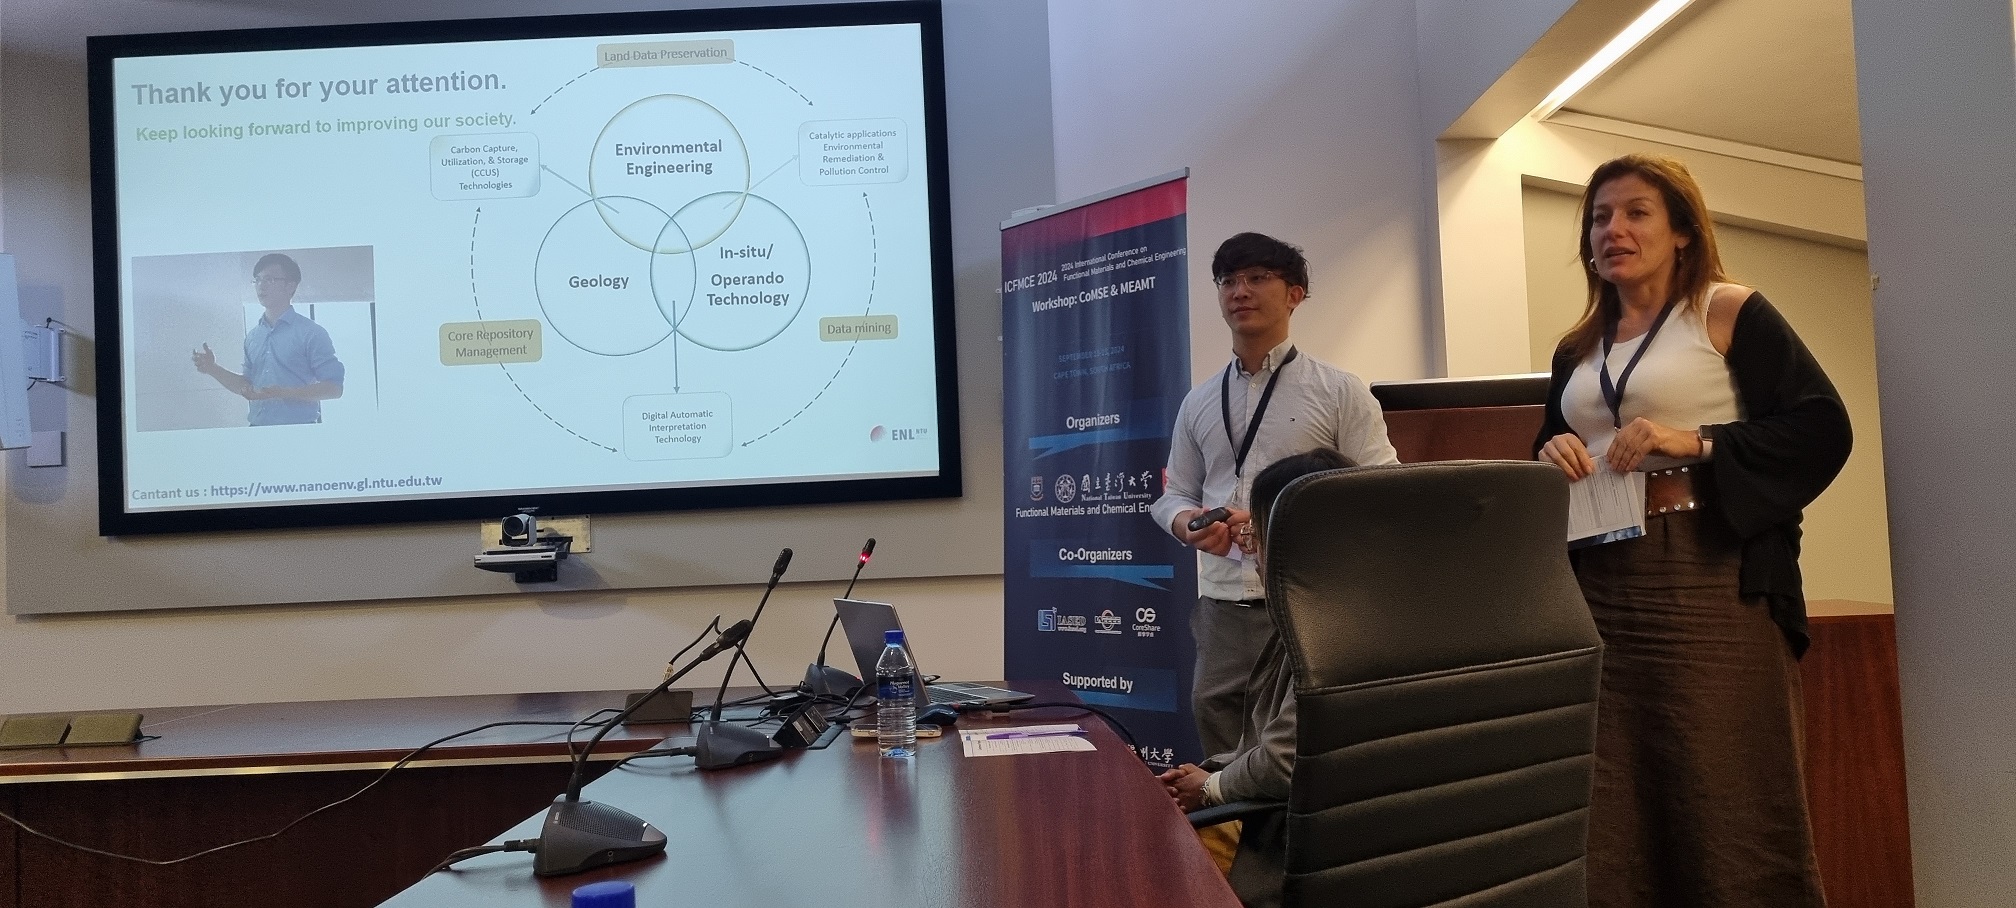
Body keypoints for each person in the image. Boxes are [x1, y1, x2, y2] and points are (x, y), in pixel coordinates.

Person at [1533, 153, 1850, 907]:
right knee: (1614, 793)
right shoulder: (1577, 347)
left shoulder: (1726, 311)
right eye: (1599, 218)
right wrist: (1551, 449)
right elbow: (1551, 440)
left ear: (1682, 230)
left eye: (1635, 212)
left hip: (1707, 572)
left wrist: (1698, 440)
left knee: (1726, 785)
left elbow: (1821, 428)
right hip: (1596, 578)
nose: (1613, 230)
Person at [1148, 232, 1397, 769]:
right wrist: (1189, 522)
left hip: (1305, 599)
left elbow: (1382, 490)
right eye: (1228, 281)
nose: (1240, 291)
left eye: (1258, 278)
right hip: (1221, 604)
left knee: (1296, 750)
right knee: (1217, 730)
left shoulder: (1339, 391)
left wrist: (1274, 520)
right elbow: (1174, 495)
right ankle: (1228, 822)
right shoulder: (1198, 401)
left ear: (1294, 295)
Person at [1158, 446, 1351, 908]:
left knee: (1155, 857)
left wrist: (1209, 789)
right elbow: (1277, 742)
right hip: (1344, 851)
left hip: (1289, 860)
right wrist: (1213, 770)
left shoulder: (1321, 638)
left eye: (1256, 537)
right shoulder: (1356, 613)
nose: (1253, 554)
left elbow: (1286, 762)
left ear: (1289, 543)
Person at [192, 252, 344, 426]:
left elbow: (334, 388)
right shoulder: (253, 336)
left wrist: (285, 393)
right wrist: (212, 369)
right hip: (257, 429)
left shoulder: (311, 333)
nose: (261, 286)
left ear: (290, 286)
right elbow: (246, 385)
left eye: (269, 279)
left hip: (299, 429)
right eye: (257, 280)